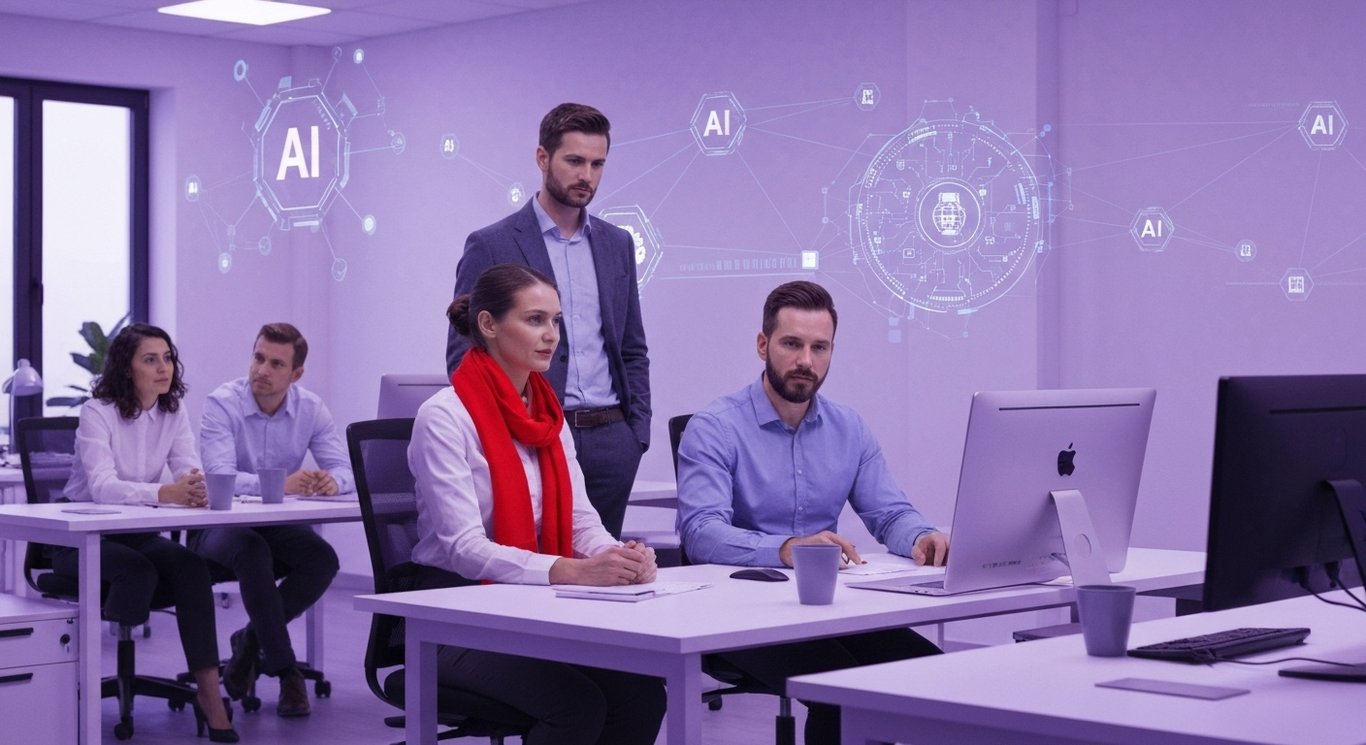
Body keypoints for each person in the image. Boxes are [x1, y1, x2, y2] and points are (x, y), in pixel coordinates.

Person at [675, 280, 951, 745]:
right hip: (737, 615)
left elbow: (889, 513)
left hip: (829, 607)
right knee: (846, 690)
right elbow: (701, 533)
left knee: (932, 672)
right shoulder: (714, 427)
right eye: (792, 344)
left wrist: (922, 536)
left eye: (819, 347)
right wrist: (786, 549)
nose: (806, 360)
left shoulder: (848, 427)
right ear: (763, 345)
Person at [415, 263, 665, 745]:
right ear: (488, 325)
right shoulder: (444, 417)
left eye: (555, 322)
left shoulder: (548, 414)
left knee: (643, 695)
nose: (550, 335)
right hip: (448, 616)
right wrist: (569, 571)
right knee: (575, 706)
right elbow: (466, 549)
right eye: (534, 320)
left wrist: (617, 557)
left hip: (531, 607)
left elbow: (579, 522)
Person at [445, 102, 650, 539]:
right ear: (543, 159)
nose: (587, 176)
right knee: (533, 570)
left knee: (604, 570)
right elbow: (464, 352)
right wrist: (503, 431)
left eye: (597, 164)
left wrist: (636, 436)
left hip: (612, 437)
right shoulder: (492, 243)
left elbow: (631, 346)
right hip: (532, 433)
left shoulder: (616, 244)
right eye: (574, 161)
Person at [61, 323, 239, 743]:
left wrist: (194, 489)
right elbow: (103, 487)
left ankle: (210, 696)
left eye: (168, 357)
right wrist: (165, 492)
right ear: (127, 369)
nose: (165, 368)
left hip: (135, 534)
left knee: (192, 567)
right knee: (139, 571)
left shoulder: (172, 412)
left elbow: (187, 469)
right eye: (151, 359)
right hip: (79, 539)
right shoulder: (96, 412)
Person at [193, 322, 345, 717]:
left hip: (276, 526)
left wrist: (332, 481)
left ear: (295, 375)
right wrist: (279, 483)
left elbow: (344, 468)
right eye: (258, 357)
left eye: (276, 364)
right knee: (253, 550)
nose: (262, 369)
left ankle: (248, 642)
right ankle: (287, 671)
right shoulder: (222, 403)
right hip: (219, 526)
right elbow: (218, 476)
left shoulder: (310, 408)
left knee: (322, 559)